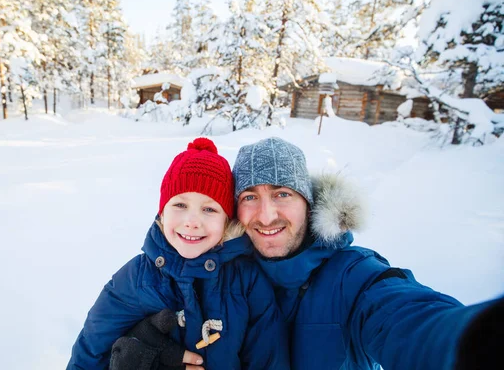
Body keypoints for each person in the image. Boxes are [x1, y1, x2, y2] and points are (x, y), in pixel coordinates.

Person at [110, 136, 502, 370]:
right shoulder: (215, 273)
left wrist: (470, 342)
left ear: (309, 204)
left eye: (282, 194)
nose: (266, 215)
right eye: (250, 197)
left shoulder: (354, 277)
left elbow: (412, 321)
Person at [67, 138, 289, 370]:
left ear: (227, 220)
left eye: (209, 209)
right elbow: (89, 355)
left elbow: (268, 358)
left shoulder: (247, 280)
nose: (192, 222)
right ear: (162, 212)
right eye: (180, 205)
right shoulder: (134, 280)